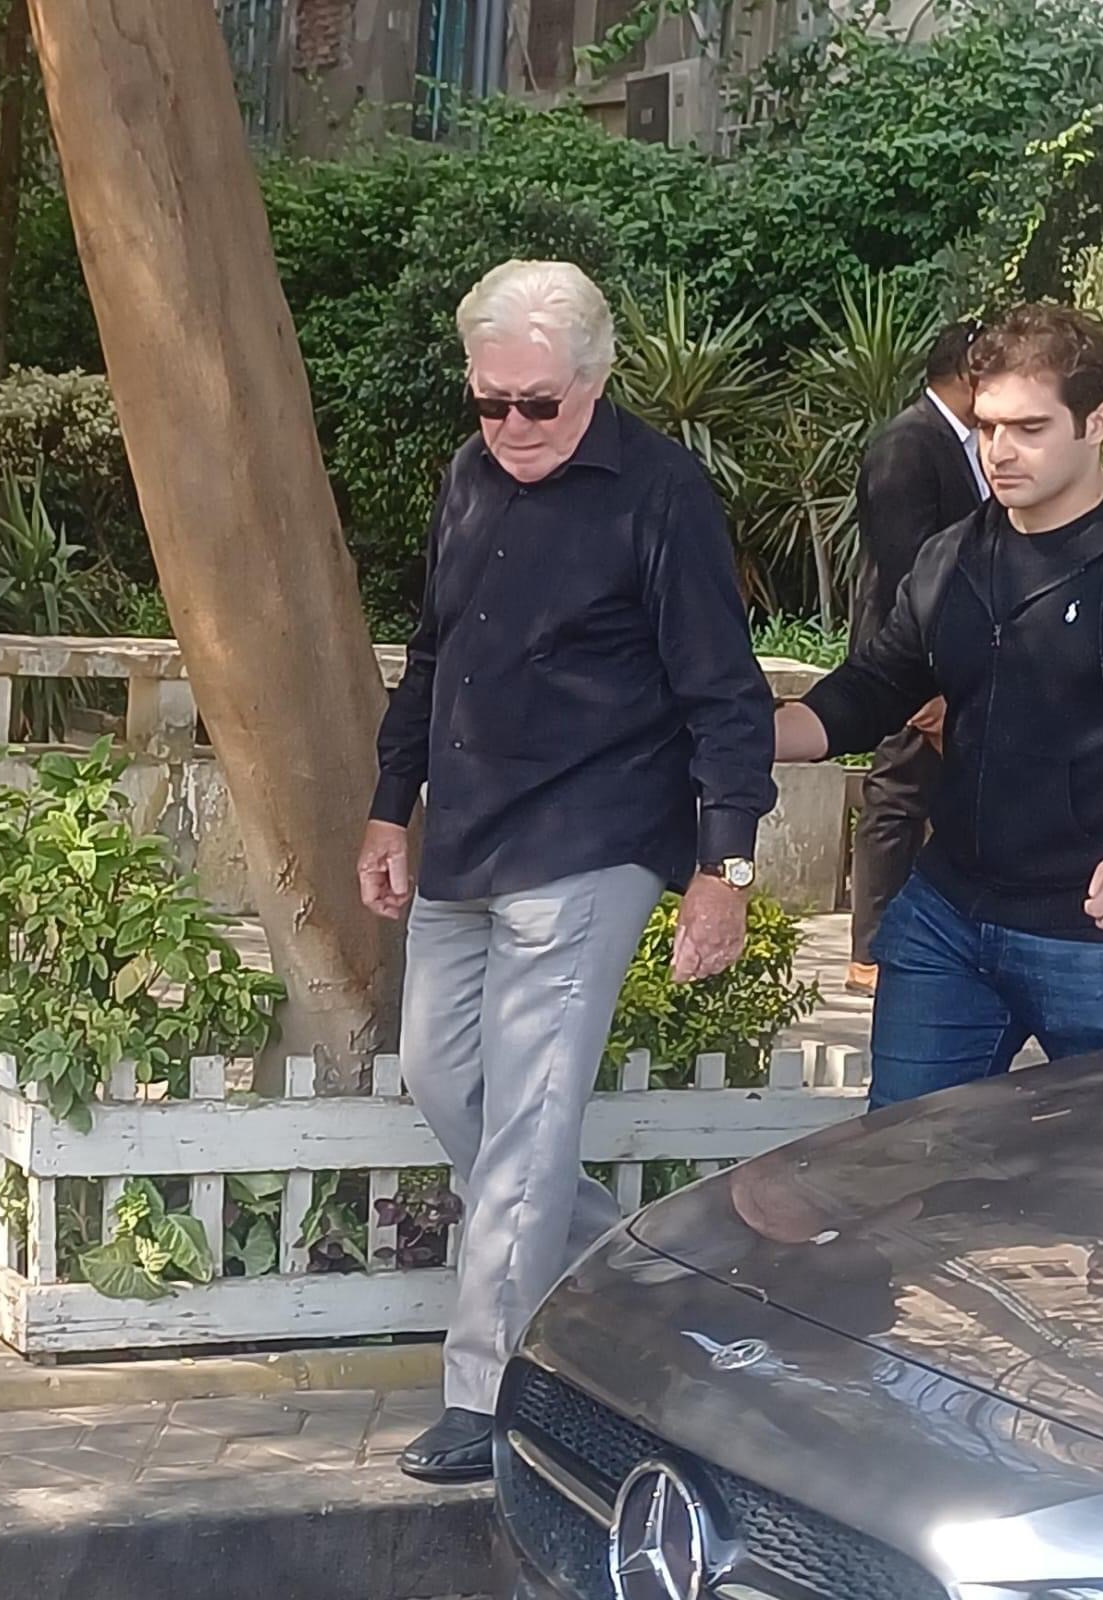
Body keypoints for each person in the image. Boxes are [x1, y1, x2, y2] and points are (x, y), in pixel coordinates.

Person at [358, 259, 776, 1483]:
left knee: (530, 1122)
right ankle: (640, 1266)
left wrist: (724, 866)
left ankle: (486, 1392)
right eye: (489, 401)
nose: (511, 425)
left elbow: (725, 694)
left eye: (535, 403)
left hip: (593, 839)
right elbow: (432, 654)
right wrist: (387, 806)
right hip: (467, 834)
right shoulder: (467, 476)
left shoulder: (661, 493)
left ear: (593, 381)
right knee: (446, 1084)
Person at [775, 303, 1103, 1110]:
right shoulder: (953, 555)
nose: (1000, 450)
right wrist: (764, 733)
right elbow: (878, 683)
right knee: (905, 1161)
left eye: (1029, 428)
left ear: (1098, 423)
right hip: (947, 921)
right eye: (987, 427)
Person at [847, 321, 990, 997]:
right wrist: (925, 677)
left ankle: (924, 940)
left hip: (958, 655)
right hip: (908, 656)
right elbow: (905, 564)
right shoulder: (908, 443)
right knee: (899, 793)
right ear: (967, 374)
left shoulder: (966, 444)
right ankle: (870, 948)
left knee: (945, 796)